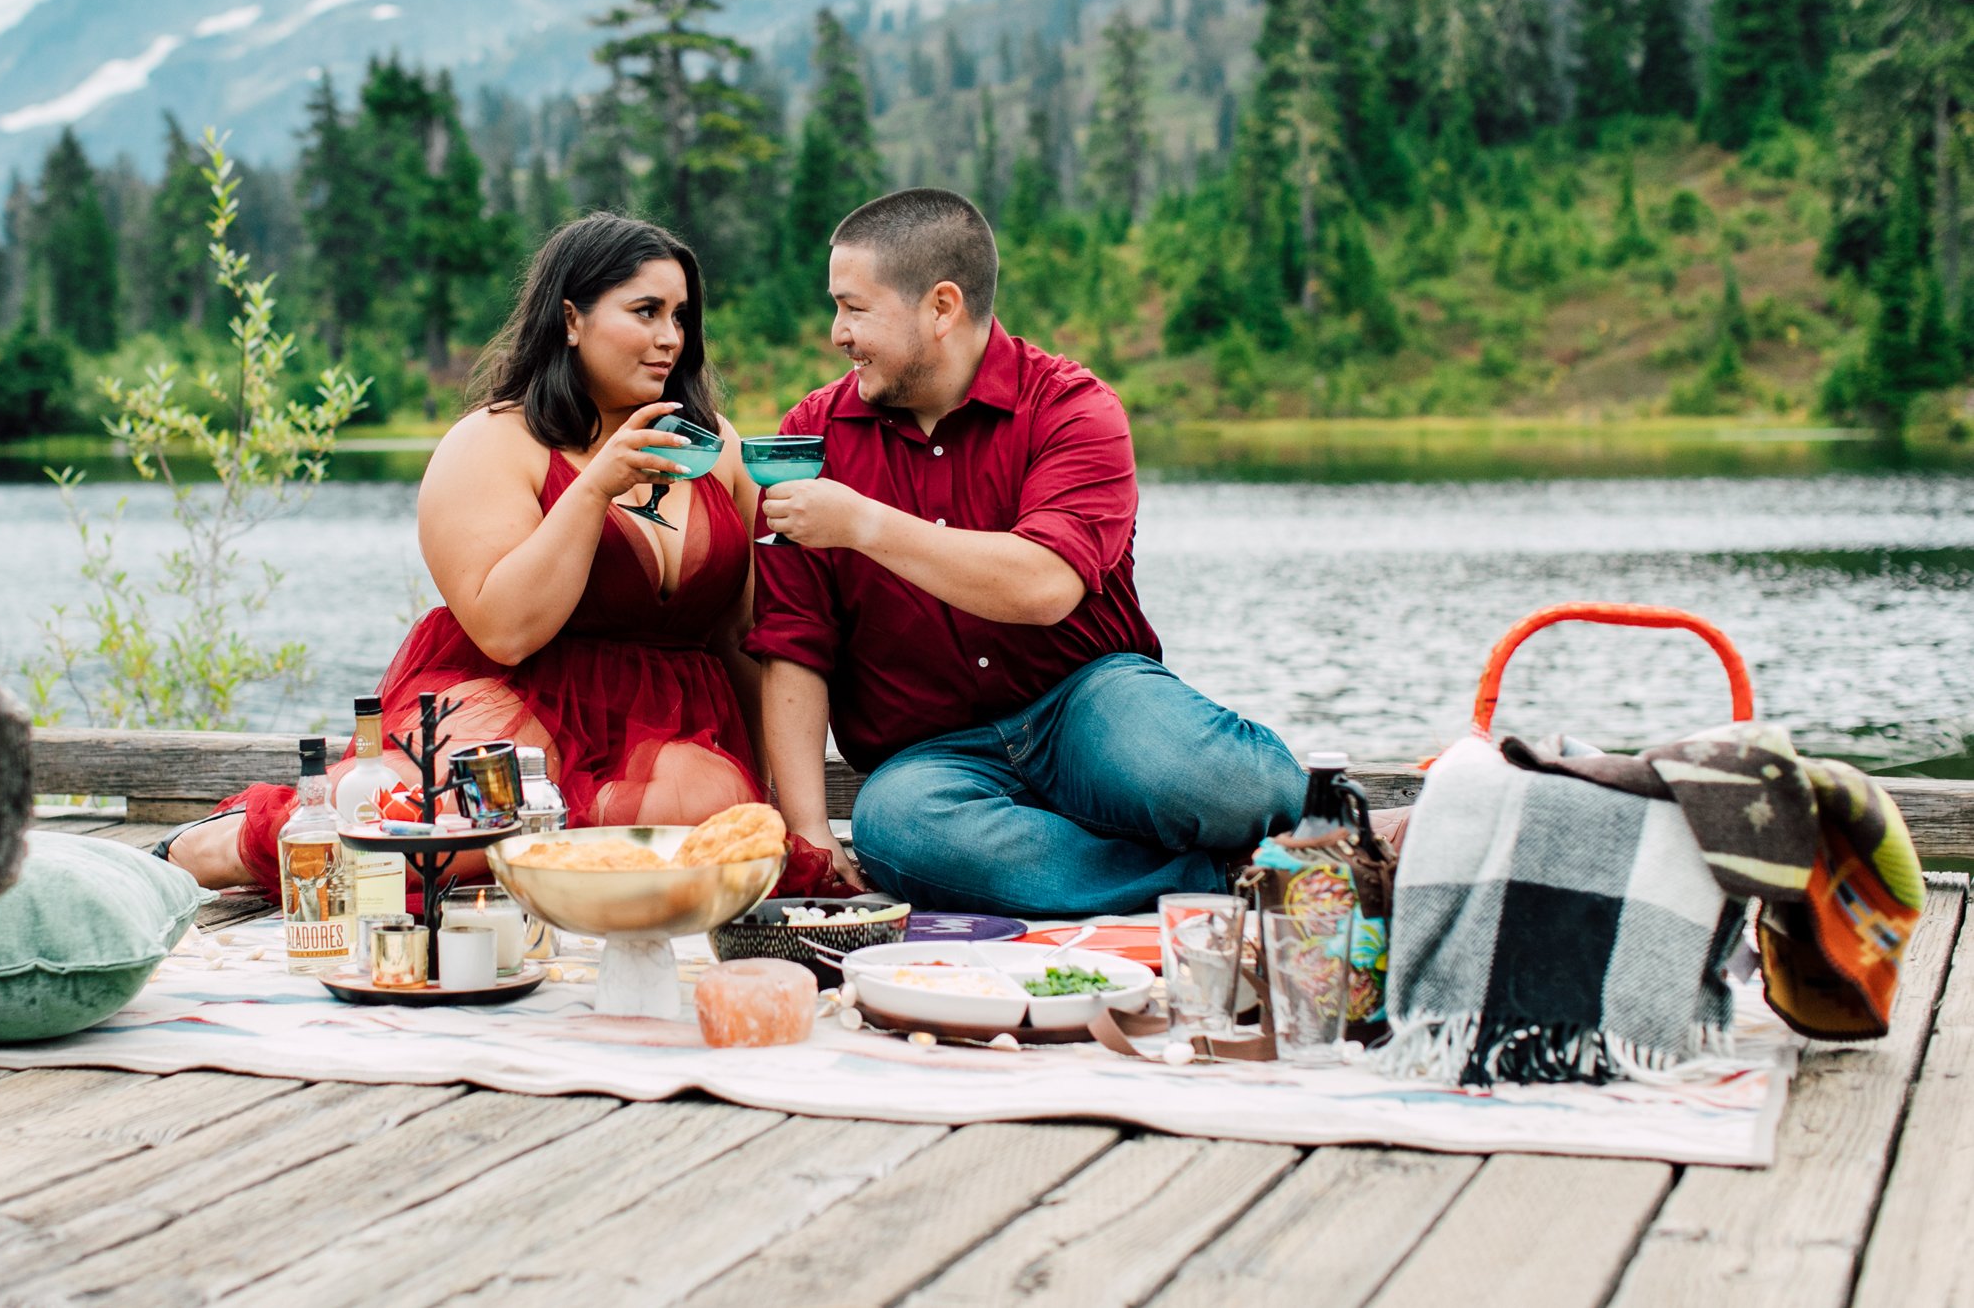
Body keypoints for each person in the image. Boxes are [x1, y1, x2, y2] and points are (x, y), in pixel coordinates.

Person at [168, 213, 769, 893]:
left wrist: (775, 794)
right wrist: (597, 485)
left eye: (681, 316)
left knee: (704, 827)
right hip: (523, 700)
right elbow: (506, 631)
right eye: (646, 311)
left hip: (674, 725)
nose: (670, 338)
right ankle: (215, 847)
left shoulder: (715, 447)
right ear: (571, 318)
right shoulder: (492, 441)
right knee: (419, 836)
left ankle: (564, 847)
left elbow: (741, 634)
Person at [747, 187, 1302, 917]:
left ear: (941, 307)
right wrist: (812, 831)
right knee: (895, 827)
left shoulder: (1073, 407)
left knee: (1233, 788)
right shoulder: (813, 431)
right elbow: (796, 644)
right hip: (931, 759)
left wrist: (863, 523)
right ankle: (1216, 881)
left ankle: (1226, 834)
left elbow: (1044, 585)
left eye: (855, 308)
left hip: (1088, 703)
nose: (837, 332)